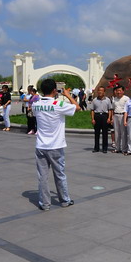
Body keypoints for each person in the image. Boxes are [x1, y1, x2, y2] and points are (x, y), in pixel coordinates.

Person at [32, 78, 77, 210]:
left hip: (41, 146)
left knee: (43, 177)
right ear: (54, 90)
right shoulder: (59, 104)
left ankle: (45, 203)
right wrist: (68, 95)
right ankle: (64, 200)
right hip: (56, 146)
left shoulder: (36, 104)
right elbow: (78, 108)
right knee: (60, 174)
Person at [89, 87, 111, 153]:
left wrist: (109, 118)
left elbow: (110, 110)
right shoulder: (94, 100)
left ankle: (104, 148)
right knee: (97, 133)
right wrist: (93, 119)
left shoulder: (108, 100)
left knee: (105, 133)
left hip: (105, 116)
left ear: (104, 92)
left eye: (101, 91)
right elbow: (92, 110)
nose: (100, 92)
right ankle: (96, 148)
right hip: (97, 116)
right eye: (99, 90)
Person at [108, 86, 129, 153]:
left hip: (123, 116)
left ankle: (124, 149)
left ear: (123, 91)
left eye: (120, 90)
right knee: (116, 133)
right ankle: (117, 148)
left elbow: (128, 109)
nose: (118, 92)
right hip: (116, 116)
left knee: (123, 133)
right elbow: (112, 109)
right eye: (117, 91)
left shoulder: (126, 99)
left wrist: (126, 118)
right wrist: (111, 118)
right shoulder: (114, 99)